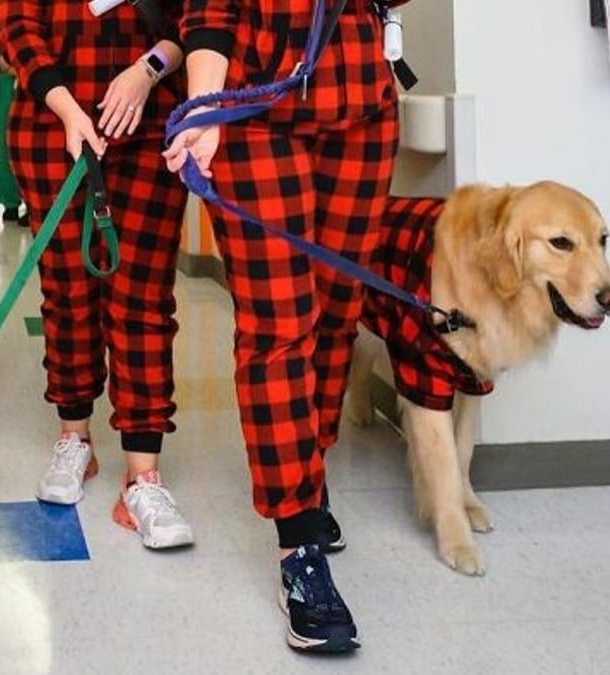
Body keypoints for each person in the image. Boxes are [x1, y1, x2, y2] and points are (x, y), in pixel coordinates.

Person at [164, 0, 410, 654]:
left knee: (336, 310)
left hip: (361, 106)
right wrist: (204, 108)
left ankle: (309, 458)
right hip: (252, 114)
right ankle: (298, 541)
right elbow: (208, 12)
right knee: (280, 325)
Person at [0, 0, 193, 549]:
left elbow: (196, 20)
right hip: (49, 129)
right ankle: (74, 438)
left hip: (149, 127)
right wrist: (66, 109)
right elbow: (16, 26)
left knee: (144, 300)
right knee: (67, 293)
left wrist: (146, 70)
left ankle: (143, 474)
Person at [0, 0, 26, 226]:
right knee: (5, 144)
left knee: (31, 144)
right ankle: (10, 202)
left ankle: (32, 203)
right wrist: (4, 63)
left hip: (37, 77)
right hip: (5, 78)